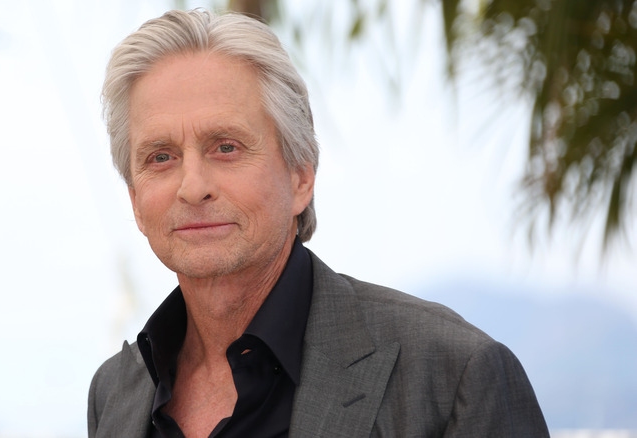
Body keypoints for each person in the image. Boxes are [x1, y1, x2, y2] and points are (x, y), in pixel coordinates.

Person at [88, 8, 549, 438]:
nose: (193, 186)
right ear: (134, 199)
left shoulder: (451, 377)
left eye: (225, 146)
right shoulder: (115, 392)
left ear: (301, 176)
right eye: (161, 157)